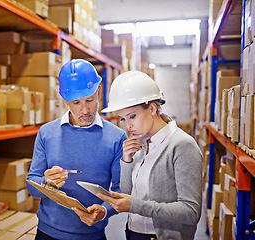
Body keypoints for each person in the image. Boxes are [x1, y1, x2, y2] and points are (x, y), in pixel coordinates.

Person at [26, 59, 128, 240]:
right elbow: (31, 186)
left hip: (92, 235)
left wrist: (104, 211)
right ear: (65, 101)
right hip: (47, 234)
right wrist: (45, 182)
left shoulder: (116, 137)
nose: (85, 109)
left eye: (90, 99)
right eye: (76, 103)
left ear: (99, 91)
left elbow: (121, 192)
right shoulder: (47, 133)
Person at [98, 71, 202, 240]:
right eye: (123, 119)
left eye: (132, 116)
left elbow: (190, 212)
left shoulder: (182, 145)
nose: (128, 125)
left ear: (152, 108)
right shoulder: (140, 142)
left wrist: (136, 206)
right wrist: (126, 159)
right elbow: (128, 192)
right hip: (132, 232)